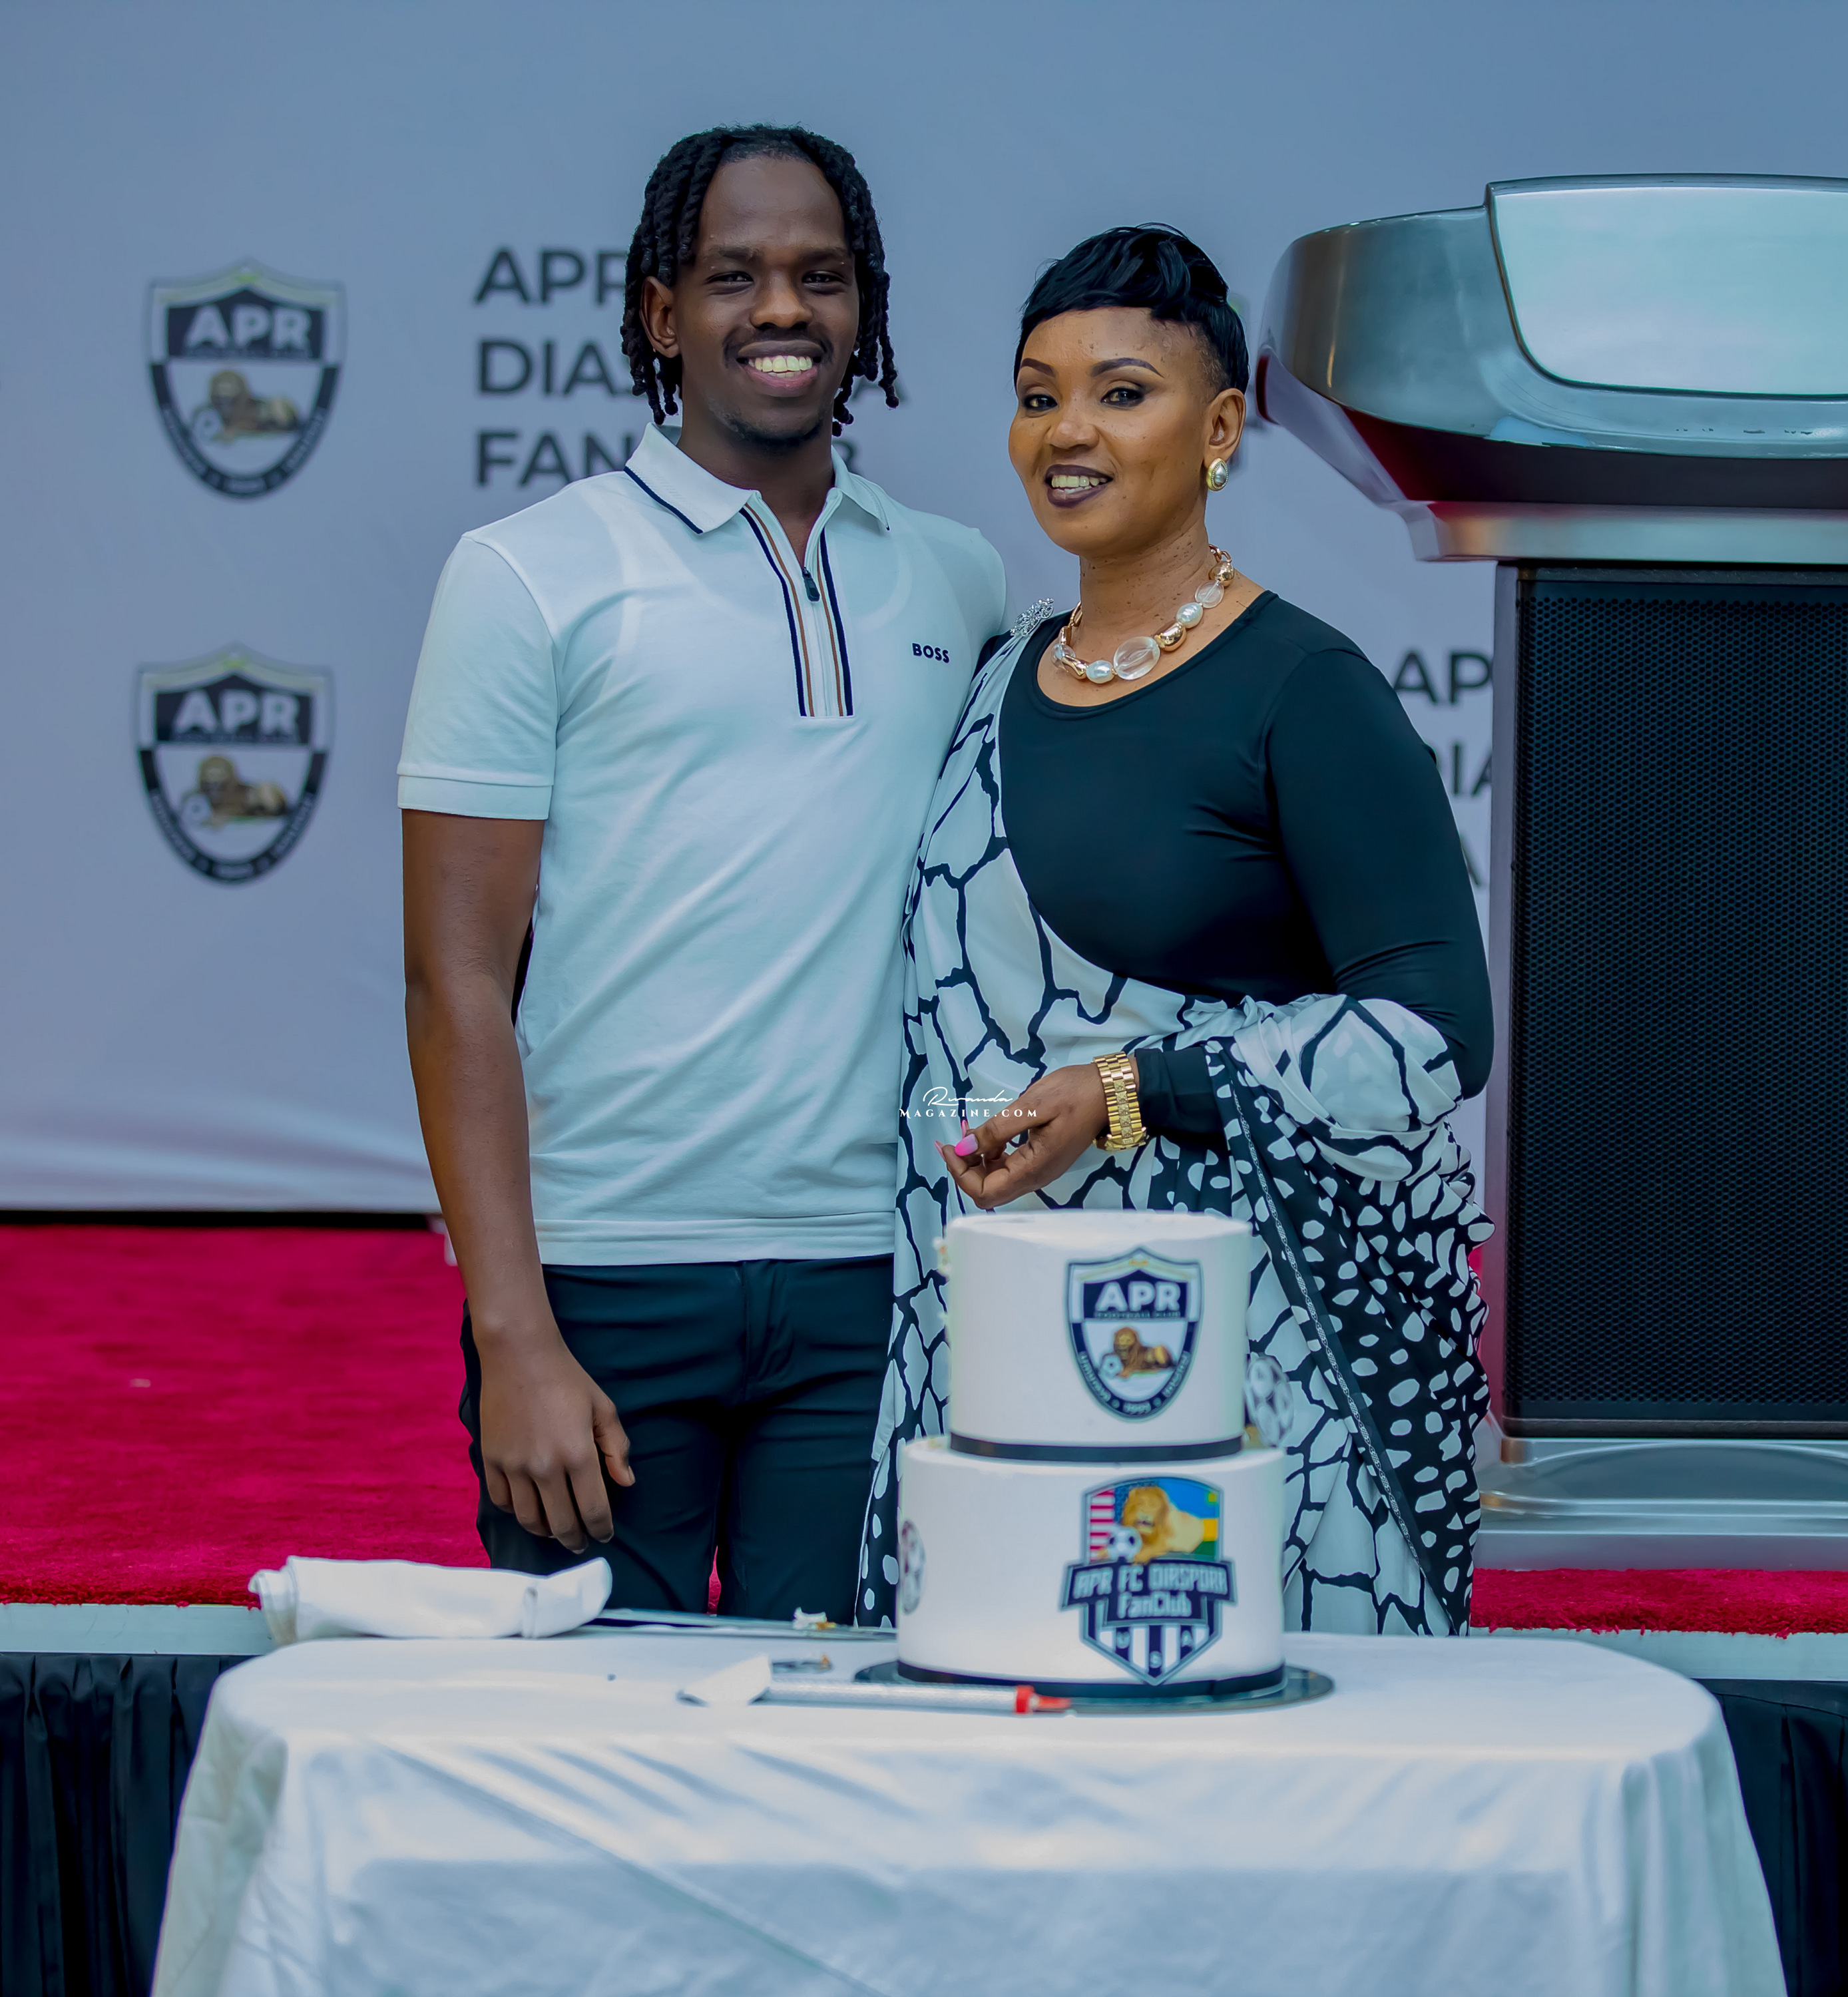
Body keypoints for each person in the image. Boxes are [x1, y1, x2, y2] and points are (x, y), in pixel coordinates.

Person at [399, 126, 1005, 1623]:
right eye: (735, 276)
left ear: (865, 307)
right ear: (662, 316)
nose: (781, 310)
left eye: (821, 276)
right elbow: (454, 978)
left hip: (873, 1280)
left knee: (848, 1730)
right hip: (606, 1283)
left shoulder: (957, 574)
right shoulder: (526, 575)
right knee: (588, 1736)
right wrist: (512, 1336)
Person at [858, 226, 1493, 1636]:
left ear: (1217, 432)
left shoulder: (1302, 688)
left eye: (1122, 393)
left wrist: (1130, 1090)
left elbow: (1437, 1032)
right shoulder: (995, 676)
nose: (1067, 432)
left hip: (1235, 1373)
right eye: (1038, 397)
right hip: (987, 1352)